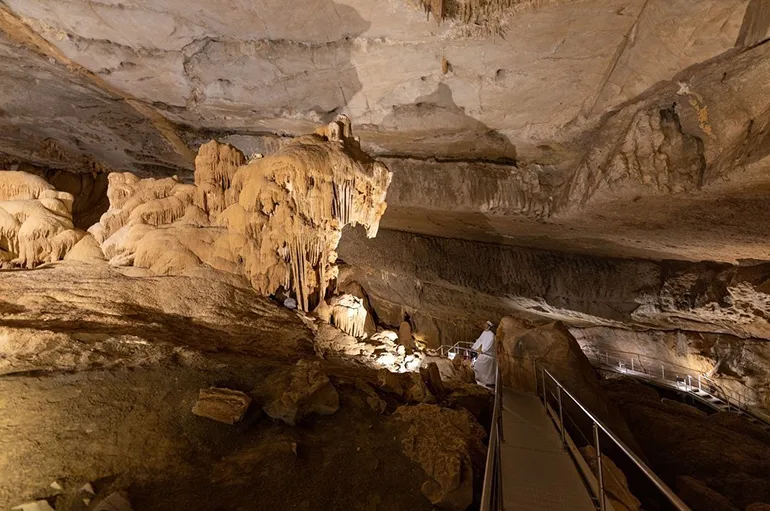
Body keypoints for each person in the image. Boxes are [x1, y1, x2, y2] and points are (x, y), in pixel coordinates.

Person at [471, 320, 497, 387]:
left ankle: (490, 382)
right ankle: (480, 380)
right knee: (477, 365)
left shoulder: (491, 335)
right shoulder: (484, 333)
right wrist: (474, 347)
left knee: (488, 370)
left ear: (489, 326)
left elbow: (489, 343)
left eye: (486, 325)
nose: (484, 325)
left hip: (489, 355)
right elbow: (480, 340)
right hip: (483, 354)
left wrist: (484, 350)